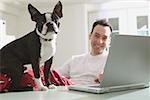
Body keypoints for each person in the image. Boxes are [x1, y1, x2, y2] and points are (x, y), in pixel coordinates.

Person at [57, 19, 112, 85]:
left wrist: (108, 81)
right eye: (96, 36)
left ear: (109, 41)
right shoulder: (74, 60)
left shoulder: (112, 62)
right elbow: (54, 76)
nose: (99, 41)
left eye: (104, 38)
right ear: (90, 36)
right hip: (71, 92)